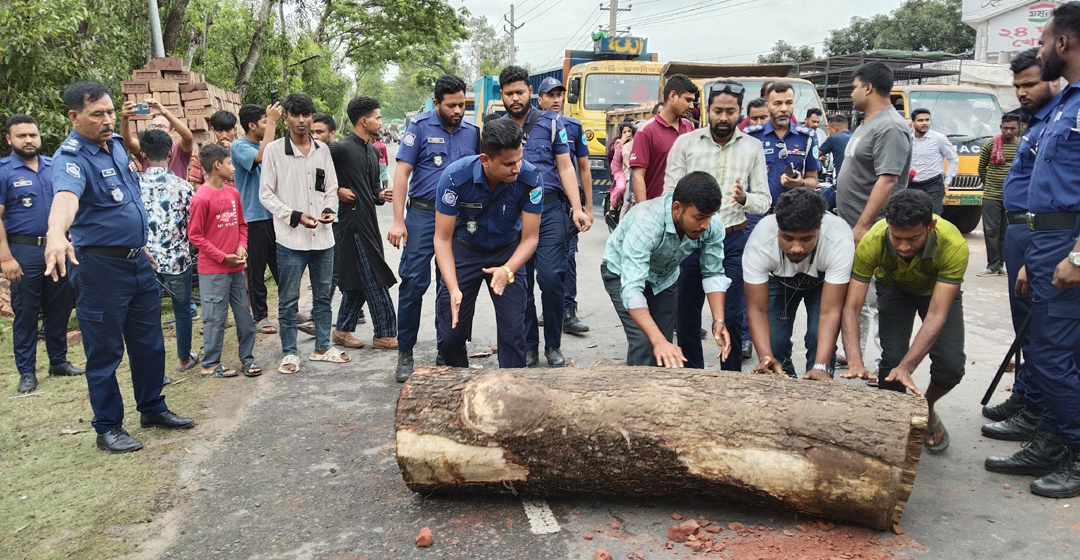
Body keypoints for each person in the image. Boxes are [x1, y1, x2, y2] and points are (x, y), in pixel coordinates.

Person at [46, 81, 194, 453]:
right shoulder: (71, 158)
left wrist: (139, 242)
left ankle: (152, 407)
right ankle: (108, 426)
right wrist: (55, 233)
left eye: (110, 112)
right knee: (105, 350)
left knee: (149, 344)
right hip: (99, 269)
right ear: (74, 116)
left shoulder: (112, 147)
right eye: (98, 114)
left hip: (137, 261)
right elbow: (65, 199)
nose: (108, 120)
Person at [992, 4, 1080, 498]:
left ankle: (1075, 447)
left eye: (1044, 41)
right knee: (1048, 349)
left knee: (1052, 355)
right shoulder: (1067, 105)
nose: (1040, 49)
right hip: (1046, 239)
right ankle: (1052, 438)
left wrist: (1078, 254)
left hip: (1068, 241)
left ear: (1063, 43)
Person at [841, 189, 968, 454]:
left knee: (951, 367)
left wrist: (908, 367)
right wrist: (854, 359)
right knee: (891, 365)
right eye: (896, 237)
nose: (903, 247)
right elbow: (852, 306)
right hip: (893, 287)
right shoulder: (873, 240)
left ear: (930, 226)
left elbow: (936, 315)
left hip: (936, 291)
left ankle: (925, 407)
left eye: (913, 238)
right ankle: (893, 425)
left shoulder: (953, 244)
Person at [980, 48, 1061, 445]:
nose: (1022, 92)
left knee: (1041, 330)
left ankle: (1037, 412)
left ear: (1054, 77)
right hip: (1019, 231)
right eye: (1017, 86)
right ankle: (1026, 396)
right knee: (1023, 323)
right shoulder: (1036, 122)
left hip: (1040, 233)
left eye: (1030, 83)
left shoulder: (1061, 119)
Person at [665, 80, 770, 371]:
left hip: (732, 242)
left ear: (740, 112)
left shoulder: (753, 148)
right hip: (688, 243)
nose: (723, 117)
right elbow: (669, 194)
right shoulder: (685, 144)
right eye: (718, 110)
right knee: (686, 314)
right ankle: (694, 378)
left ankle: (731, 379)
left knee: (732, 315)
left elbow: (764, 200)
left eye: (731, 111)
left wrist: (745, 198)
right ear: (707, 110)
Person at [386, 74, 479, 381]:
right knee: (413, 282)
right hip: (423, 215)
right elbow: (402, 175)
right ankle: (405, 350)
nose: (457, 110)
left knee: (451, 284)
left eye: (462, 104)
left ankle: (447, 347)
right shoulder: (420, 127)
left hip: (459, 219)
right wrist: (398, 220)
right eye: (451, 105)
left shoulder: (472, 132)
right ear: (437, 103)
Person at [498, 65, 591, 367]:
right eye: (509, 93)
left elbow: (566, 166)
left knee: (552, 278)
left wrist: (577, 207)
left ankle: (553, 344)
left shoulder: (552, 122)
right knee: (520, 281)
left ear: (530, 93)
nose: (515, 98)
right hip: (513, 214)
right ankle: (528, 346)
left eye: (520, 92)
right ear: (502, 95)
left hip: (550, 210)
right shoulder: (496, 128)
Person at [433, 118, 541, 369]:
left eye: (519, 159)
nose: (516, 168)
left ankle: (511, 395)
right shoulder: (454, 178)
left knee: (514, 334)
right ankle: (458, 389)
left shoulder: (531, 178)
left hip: (508, 253)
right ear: (485, 159)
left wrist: (508, 269)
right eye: (508, 164)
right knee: (450, 334)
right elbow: (442, 238)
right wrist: (453, 288)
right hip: (465, 251)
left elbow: (530, 238)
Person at [602, 171, 732, 368]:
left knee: (664, 347)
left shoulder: (711, 225)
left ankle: (661, 395)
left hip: (664, 278)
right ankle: (637, 395)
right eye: (699, 217)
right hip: (621, 272)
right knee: (646, 342)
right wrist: (658, 341)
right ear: (677, 207)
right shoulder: (646, 223)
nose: (705, 225)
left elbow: (713, 272)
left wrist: (718, 320)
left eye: (710, 217)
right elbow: (632, 290)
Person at [258, 93, 346, 374]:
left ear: (312, 117)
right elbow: (266, 195)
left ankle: (322, 347)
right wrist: (295, 216)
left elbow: (331, 187)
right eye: (295, 115)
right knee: (288, 299)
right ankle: (290, 353)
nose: (301, 120)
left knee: (323, 296)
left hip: (323, 237)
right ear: (286, 118)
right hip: (290, 239)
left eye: (306, 115)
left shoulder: (322, 150)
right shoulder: (273, 151)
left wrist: (330, 209)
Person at [836, 62, 913, 374]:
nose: (853, 93)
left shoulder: (891, 127)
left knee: (880, 298)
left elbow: (888, 179)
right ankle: (854, 355)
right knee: (859, 293)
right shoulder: (869, 123)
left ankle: (890, 365)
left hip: (875, 229)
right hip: (853, 224)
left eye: (855, 86)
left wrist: (864, 224)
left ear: (868, 87)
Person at [1, 114, 83, 394]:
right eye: (21, 136)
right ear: (9, 139)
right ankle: (26, 371)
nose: (28, 140)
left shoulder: (54, 166)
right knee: (25, 313)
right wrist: (5, 258)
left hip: (57, 247)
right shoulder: (4, 171)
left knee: (59, 307)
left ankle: (58, 361)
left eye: (32, 135)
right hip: (23, 251)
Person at [744, 189, 854, 380]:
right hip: (780, 280)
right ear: (777, 229)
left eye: (806, 239)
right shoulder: (760, 239)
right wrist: (765, 357)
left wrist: (820, 366)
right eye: (787, 238)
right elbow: (756, 309)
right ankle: (786, 385)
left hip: (823, 282)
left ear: (819, 229)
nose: (796, 248)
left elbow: (831, 312)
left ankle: (819, 390)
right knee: (774, 344)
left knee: (816, 338)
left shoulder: (839, 237)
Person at [330, 96, 398, 353]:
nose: (380, 122)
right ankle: (385, 333)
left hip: (369, 222)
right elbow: (313, 172)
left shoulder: (372, 150)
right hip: (351, 224)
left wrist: (379, 195)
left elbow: (370, 190)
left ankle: (342, 330)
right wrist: (335, 190)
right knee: (375, 276)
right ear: (363, 120)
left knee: (361, 278)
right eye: (378, 117)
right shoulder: (340, 147)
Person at [187, 144, 260, 378]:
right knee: (215, 318)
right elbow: (195, 235)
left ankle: (247, 359)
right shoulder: (201, 198)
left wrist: (241, 246)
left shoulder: (233, 193)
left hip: (236, 267)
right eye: (230, 164)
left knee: (245, 318)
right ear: (217, 165)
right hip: (213, 270)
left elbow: (242, 225)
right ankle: (210, 364)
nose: (233, 169)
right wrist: (221, 256)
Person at [137, 129, 197, 377]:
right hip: (177, 259)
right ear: (171, 152)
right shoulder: (183, 186)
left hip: (143, 261)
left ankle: (154, 370)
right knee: (182, 310)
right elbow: (193, 223)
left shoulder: (134, 184)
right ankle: (183, 358)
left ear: (142, 154)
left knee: (147, 317)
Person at [536, 77, 593, 335]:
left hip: (566, 206)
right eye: (550, 95)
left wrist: (587, 207)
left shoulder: (573, 127)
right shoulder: (530, 126)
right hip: (538, 204)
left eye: (560, 95)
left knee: (567, 258)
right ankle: (548, 309)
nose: (556, 100)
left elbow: (582, 168)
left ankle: (568, 312)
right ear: (540, 99)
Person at [232, 103, 282, 336]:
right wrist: (272, 122)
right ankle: (260, 316)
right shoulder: (240, 147)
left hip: (275, 215)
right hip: (253, 217)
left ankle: (289, 310)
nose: (268, 125)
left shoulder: (271, 143)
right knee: (256, 271)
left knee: (282, 267)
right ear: (251, 126)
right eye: (264, 122)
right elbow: (262, 156)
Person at [744, 82, 821, 221]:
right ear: (767, 106)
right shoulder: (750, 136)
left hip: (794, 216)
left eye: (789, 103)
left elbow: (813, 180)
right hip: (756, 218)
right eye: (778, 103)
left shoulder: (807, 137)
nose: (784, 109)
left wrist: (800, 183)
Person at [629, 74, 698, 203]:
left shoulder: (689, 127)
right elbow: (638, 176)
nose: (692, 106)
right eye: (688, 100)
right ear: (672, 96)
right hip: (657, 211)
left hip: (685, 213)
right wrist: (644, 212)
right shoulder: (646, 131)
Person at [977, 113, 1022, 277]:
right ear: (1001, 128)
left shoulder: (1022, 145)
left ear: (1019, 128)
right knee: (991, 231)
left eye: (1012, 128)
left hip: (1013, 196)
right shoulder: (991, 144)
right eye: (1005, 128)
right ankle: (992, 265)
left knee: (1007, 231)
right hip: (992, 194)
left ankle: (1002, 265)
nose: (1008, 131)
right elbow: (982, 168)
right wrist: (990, 184)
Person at [120, 99, 194, 177]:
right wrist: (125, 118)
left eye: (161, 126)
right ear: (144, 155)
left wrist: (165, 112)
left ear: (171, 132)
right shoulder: (145, 147)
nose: (156, 129)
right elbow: (127, 141)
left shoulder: (178, 150)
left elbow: (188, 137)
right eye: (152, 126)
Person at [908, 108, 959, 215]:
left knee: (934, 216)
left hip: (933, 184)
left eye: (927, 120)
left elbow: (953, 158)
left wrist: (947, 180)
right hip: (911, 184)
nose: (924, 123)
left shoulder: (939, 138)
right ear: (913, 122)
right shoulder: (907, 139)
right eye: (920, 120)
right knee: (912, 216)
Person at [188, 110, 238, 188]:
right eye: (220, 131)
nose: (224, 135)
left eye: (228, 131)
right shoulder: (203, 155)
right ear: (214, 131)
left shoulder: (243, 152)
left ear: (235, 130)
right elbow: (196, 183)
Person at [608, 122, 633, 211]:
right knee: (621, 187)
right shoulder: (618, 144)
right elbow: (617, 159)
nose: (627, 134)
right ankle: (612, 206)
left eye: (629, 131)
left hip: (632, 171)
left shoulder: (636, 143)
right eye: (624, 132)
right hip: (620, 170)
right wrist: (621, 144)